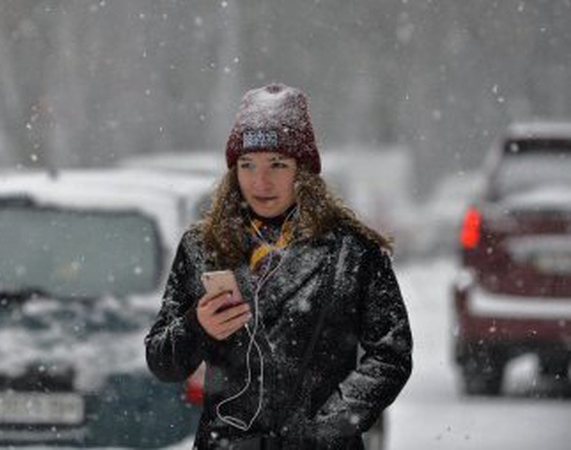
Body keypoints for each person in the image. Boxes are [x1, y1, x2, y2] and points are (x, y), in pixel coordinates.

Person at [145, 83, 413, 449]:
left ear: (302, 171)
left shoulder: (354, 251)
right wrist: (197, 327)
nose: (261, 181)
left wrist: (331, 424)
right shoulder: (201, 248)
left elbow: (390, 356)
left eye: (277, 164)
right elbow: (162, 361)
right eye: (247, 165)